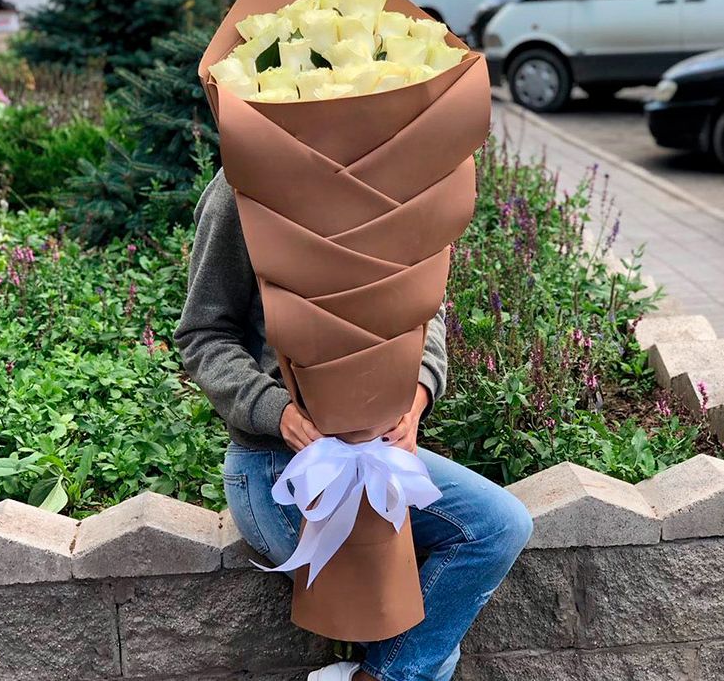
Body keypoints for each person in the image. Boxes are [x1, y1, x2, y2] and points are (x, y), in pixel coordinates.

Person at [173, 167, 534, 681]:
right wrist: (279, 413)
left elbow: (425, 310)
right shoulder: (246, 179)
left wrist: (416, 396)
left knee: (497, 526)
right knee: (425, 651)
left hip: (380, 459)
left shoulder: (393, 168)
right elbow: (203, 334)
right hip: (279, 469)